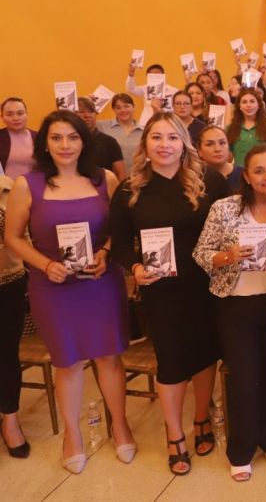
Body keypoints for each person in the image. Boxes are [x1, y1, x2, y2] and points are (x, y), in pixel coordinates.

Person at [5, 111, 134, 473]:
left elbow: (118, 229)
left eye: (72, 137)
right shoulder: (26, 185)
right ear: (44, 142)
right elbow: (13, 236)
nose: (65, 145)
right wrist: (44, 264)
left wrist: (107, 253)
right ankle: (72, 434)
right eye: (57, 137)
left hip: (99, 282)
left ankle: (120, 423)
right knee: (68, 361)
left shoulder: (103, 179)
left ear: (83, 141)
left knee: (109, 357)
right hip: (54, 285)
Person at [109, 113, 230, 476]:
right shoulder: (129, 189)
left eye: (172, 138)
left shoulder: (209, 179)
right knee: (172, 361)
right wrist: (135, 268)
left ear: (184, 144)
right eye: (156, 137)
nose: (164, 145)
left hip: (206, 284)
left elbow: (227, 227)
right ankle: (174, 434)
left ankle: (200, 417)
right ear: (145, 144)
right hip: (160, 289)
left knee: (207, 353)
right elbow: (118, 245)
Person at [192, 146, 266, 482]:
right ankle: (240, 449)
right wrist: (227, 256)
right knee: (243, 379)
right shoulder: (224, 208)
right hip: (236, 304)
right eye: (260, 170)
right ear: (247, 176)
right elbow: (201, 253)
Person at [0, 174, 29, 460]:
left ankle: (10, 420)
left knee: (6, 355)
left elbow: (22, 237)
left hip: (6, 282)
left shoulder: (9, 187)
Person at [75, 97, 126, 181]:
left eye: (91, 111)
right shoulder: (68, 143)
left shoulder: (110, 142)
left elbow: (120, 173)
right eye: (81, 111)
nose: (87, 115)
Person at [226, 88, 266, 169]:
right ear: (239, 106)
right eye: (244, 102)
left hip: (263, 173)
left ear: (258, 105)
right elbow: (229, 158)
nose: (248, 105)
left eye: (252, 101)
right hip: (239, 173)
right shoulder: (230, 128)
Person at [98, 94, 145, 170]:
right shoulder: (102, 126)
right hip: (112, 179)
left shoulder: (144, 130)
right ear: (114, 109)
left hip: (138, 177)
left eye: (126, 106)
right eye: (118, 108)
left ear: (133, 107)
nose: (123, 110)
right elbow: (80, 125)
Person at [196, 125, 244, 191]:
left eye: (222, 143)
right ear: (199, 151)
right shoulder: (193, 177)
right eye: (209, 144)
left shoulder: (244, 174)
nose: (217, 149)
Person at [0, 98, 36, 180]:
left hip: (35, 187)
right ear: (2, 117)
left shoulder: (39, 137)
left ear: (27, 114)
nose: (15, 118)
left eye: (20, 113)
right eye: (9, 114)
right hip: (6, 189)